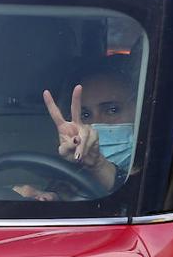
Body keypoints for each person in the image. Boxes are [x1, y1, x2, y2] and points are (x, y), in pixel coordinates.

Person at [15, 61, 138, 201]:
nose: (95, 124)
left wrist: (99, 165)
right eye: (85, 115)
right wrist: (50, 197)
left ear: (138, 110)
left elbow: (140, 201)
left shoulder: (161, 175)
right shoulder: (74, 168)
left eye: (112, 110)